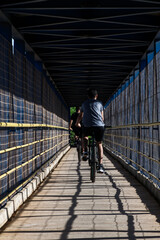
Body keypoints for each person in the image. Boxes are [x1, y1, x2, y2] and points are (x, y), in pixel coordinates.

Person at [76, 88, 105, 173]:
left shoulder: (84, 104)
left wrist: (77, 123)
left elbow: (80, 116)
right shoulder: (100, 103)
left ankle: (85, 151)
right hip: (99, 126)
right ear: (96, 96)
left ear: (88, 96)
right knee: (99, 143)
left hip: (87, 126)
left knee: (84, 136)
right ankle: (100, 165)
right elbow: (102, 118)